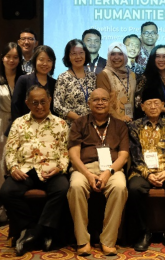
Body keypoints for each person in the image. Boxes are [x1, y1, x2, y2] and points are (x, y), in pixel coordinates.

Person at [0, 85, 69, 256]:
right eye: (35, 103)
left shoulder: (61, 124)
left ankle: (38, 231)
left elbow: (65, 152)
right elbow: (9, 151)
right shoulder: (19, 123)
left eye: (43, 102)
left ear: (50, 101)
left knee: (63, 188)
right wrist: (13, 168)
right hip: (26, 170)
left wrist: (60, 167)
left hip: (52, 170)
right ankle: (31, 228)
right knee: (6, 192)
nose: (39, 106)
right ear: (27, 103)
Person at [67, 88, 128, 256]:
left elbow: (123, 155)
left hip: (112, 168)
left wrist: (108, 173)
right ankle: (83, 240)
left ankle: (108, 240)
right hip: (84, 168)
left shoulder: (119, 125)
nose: (100, 103)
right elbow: (73, 155)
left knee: (120, 187)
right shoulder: (79, 123)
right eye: (96, 100)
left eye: (104, 99)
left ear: (110, 103)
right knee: (76, 186)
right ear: (89, 103)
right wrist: (87, 174)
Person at [127, 88, 165, 252]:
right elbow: (135, 156)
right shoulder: (134, 127)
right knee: (134, 188)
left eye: (156, 103)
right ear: (142, 106)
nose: (153, 106)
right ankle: (144, 232)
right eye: (149, 103)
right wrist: (148, 174)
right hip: (141, 171)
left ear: (162, 105)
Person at [0, 42, 25, 221]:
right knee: (0, 164)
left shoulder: (25, 78)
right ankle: (0, 207)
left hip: (19, 125)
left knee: (17, 163)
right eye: (8, 56)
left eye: (15, 57)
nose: (11, 60)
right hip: (1, 125)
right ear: (2, 58)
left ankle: (14, 206)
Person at [135, 45, 165, 124]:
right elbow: (139, 104)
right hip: (150, 124)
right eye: (157, 56)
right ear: (152, 59)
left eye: (164, 56)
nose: (161, 60)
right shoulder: (144, 78)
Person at [54, 39, 96, 126]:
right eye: (74, 53)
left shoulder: (92, 77)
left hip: (92, 125)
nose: (78, 56)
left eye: (81, 53)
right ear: (68, 56)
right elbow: (57, 106)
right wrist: (79, 119)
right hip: (71, 126)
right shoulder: (63, 77)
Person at [12, 45, 57, 121]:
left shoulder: (55, 83)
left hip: (49, 127)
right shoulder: (23, 80)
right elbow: (15, 107)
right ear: (35, 60)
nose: (45, 63)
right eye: (41, 59)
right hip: (25, 126)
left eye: (49, 60)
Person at [96, 42, 137, 122]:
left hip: (131, 121)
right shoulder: (104, 75)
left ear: (125, 56)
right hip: (112, 122)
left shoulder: (132, 74)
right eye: (113, 54)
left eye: (120, 54)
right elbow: (103, 102)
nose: (116, 57)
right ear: (108, 56)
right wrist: (119, 118)